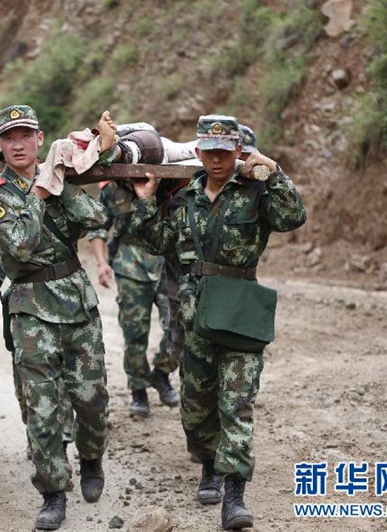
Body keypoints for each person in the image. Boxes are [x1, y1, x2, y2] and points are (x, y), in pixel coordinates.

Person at [128, 115, 306, 530]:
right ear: (199, 151)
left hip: (240, 310)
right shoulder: (186, 195)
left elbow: (293, 217)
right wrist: (145, 199)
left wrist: (275, 172)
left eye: (225, 152)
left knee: (237, 405)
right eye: (209, 151)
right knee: (196, 407)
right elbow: (154, 241)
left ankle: (234, 496)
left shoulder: (256, 192)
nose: (216, 159)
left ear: (238, 152)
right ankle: (207, 464)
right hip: (195, 316)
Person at [0, 105, 109, 531]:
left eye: (25, 135)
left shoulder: (62, 177)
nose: (18, 144)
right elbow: (13, 251)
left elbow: (96, 219)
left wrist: (64, 182)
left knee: (91, 401)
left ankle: (92, 459)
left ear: (40, 139)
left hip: (77, 304)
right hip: (30, 310)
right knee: (41, 407)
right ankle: (53, 494)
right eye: (9, 137)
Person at [87, 112, 189, 417]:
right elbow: (97, 228)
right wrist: (103, 263)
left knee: (177, 327)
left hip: (165, 263)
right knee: (134, 333)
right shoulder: (111, 190)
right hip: (130, 266)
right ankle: (138, 390)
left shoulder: (167, 184)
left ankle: (161, 372)